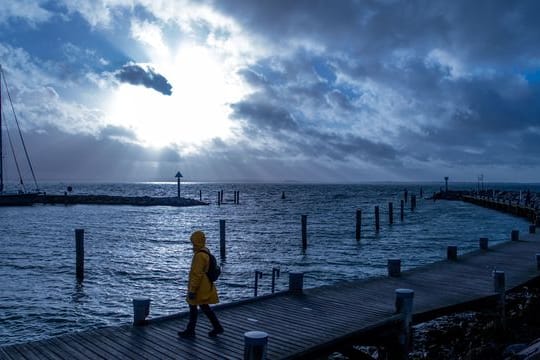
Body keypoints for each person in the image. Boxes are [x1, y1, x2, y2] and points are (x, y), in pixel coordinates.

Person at [178, 230, 224, 338]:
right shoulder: (206, 251)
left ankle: (191, 331)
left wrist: (192, 290)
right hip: (206, 285)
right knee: (204, 307)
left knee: (194, 307)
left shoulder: (199, 256)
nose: (192, 244)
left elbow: (196, 274)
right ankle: (216, 327)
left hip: (199, 287)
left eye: (193, 242)